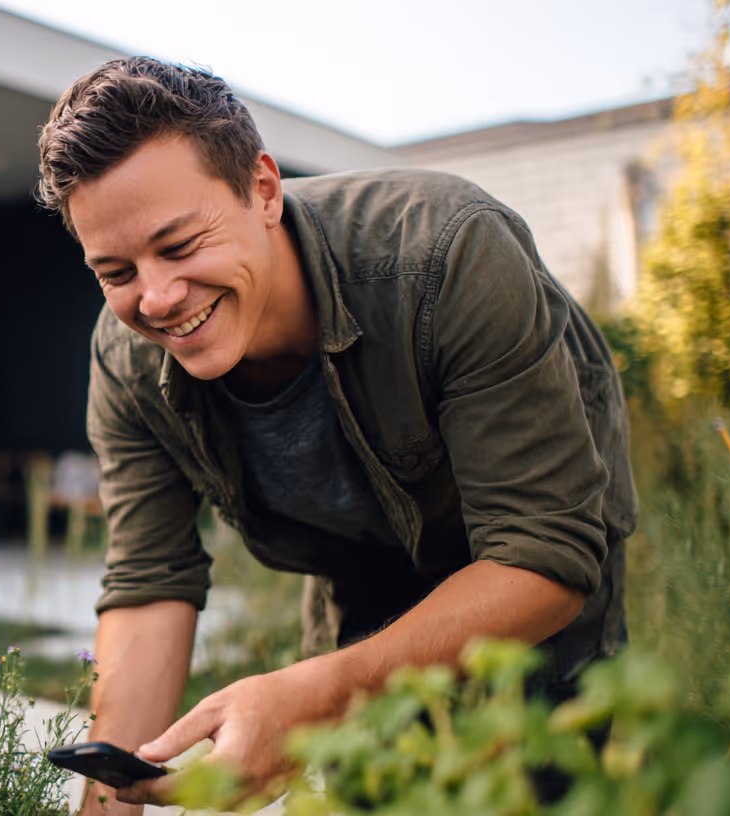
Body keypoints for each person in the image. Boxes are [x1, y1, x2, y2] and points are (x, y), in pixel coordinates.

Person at [35, 58, 637, 814]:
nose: (156, 299)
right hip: (356, 558)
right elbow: (149, 583)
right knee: (364, 787)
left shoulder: (448, 254)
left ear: (262, 188)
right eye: (115, 271)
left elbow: (544, 553)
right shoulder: (125, 359)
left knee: (538, 780)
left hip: (526, 554)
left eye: (182, 246)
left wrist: (312, 695)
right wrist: (108, 802)